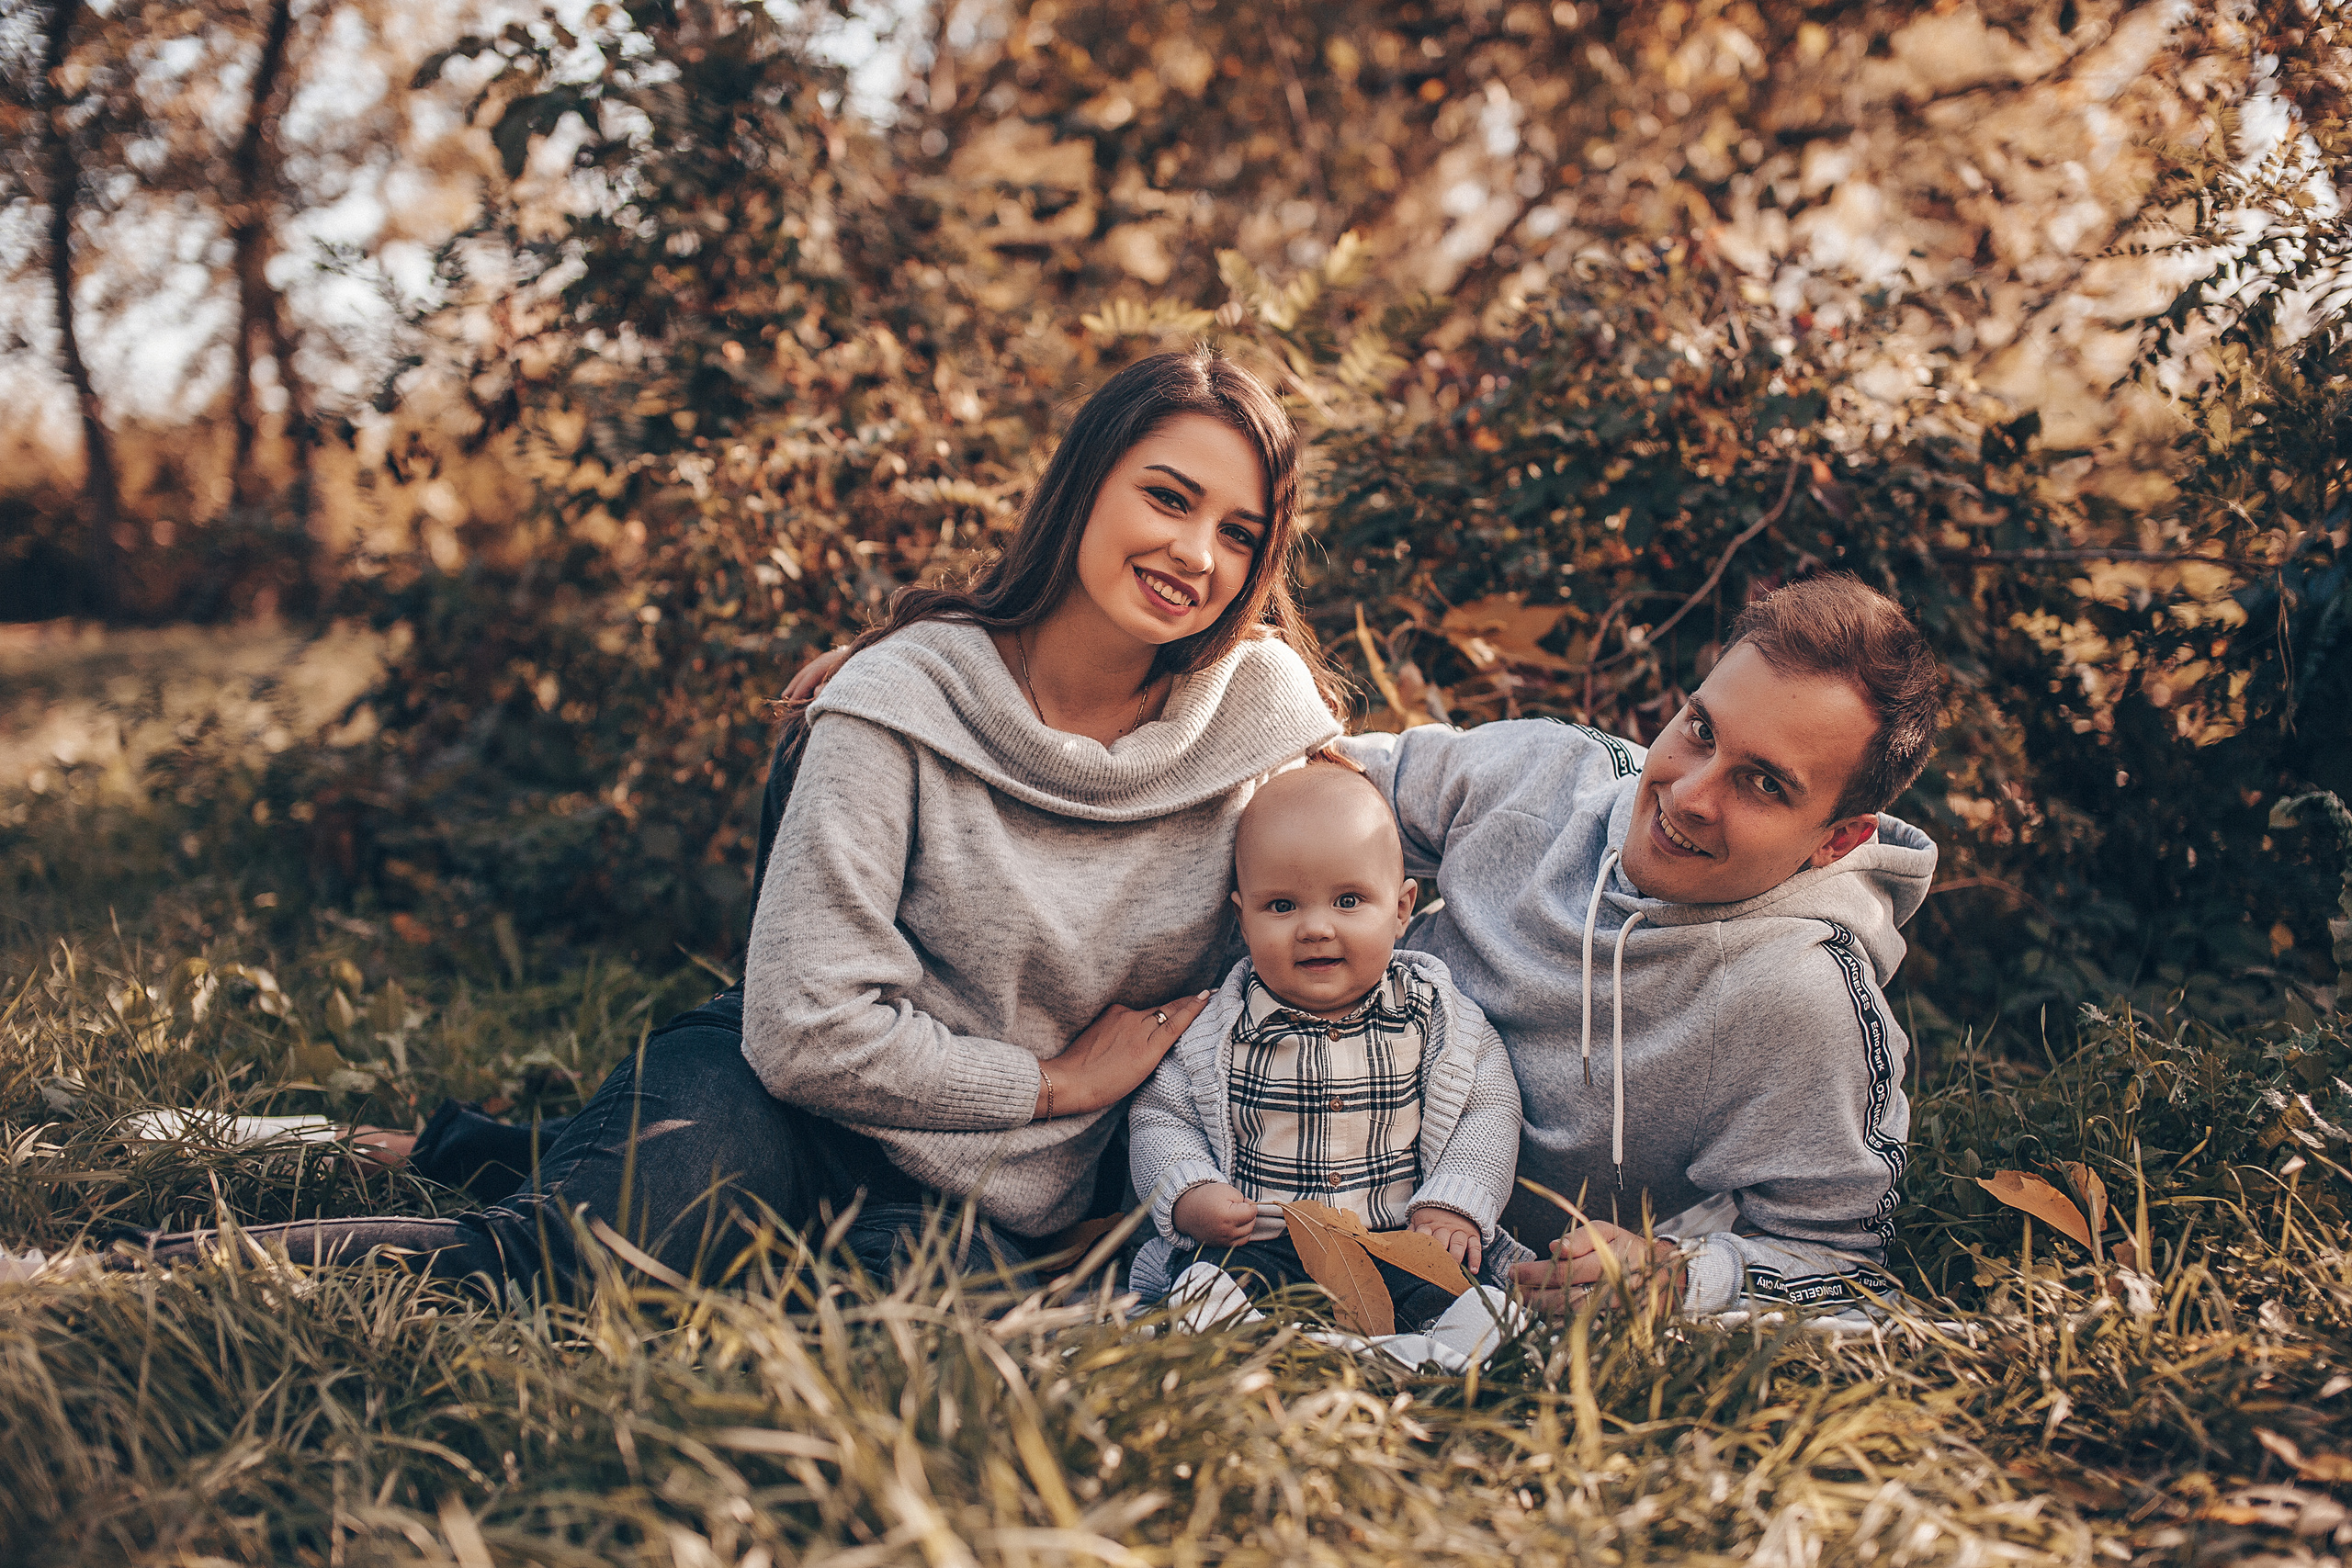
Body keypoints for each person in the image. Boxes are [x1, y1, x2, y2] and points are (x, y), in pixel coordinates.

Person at [118, 346, 1347, 1293]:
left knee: (858, 1329)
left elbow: (1390, 838)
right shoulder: (903, 699)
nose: (1196, 551)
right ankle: (109, 1273)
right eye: (1168, 497)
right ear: (1085, 486)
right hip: (790, 1097)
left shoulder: (1264, 714)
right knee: (566, 1257)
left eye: (1238, 530)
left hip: (991, 1201)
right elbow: (806, 1031)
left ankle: (474, 1141)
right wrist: (1051, 1080)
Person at [1334, 573, 1943, 1316]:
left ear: (1839, 839)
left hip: (1467, 1285)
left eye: (1763, 784)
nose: (1690, 794)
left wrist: (1680, 1275)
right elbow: (1315, 786)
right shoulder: (1544, 775)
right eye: (1702, 731)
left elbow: (1842, 1265)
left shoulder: (1803, 996)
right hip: (1245, 1149)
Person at [1124, 760, 1528, 1328]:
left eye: (1348, 901)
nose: (1316, 928)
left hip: (1396, 1243)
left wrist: (1454, 1201)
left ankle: (1442, 1354)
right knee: (1207, 1289)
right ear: (1243, 919)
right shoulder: (1216, 1031)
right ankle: (1232, 1344)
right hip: (1263, 1244)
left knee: (1466, 1303)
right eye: (1282, 906)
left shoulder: (1436, 1017)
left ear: (1401, 909)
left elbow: (1489, 1108)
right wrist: (1190, 1192)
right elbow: (1162, 1118)